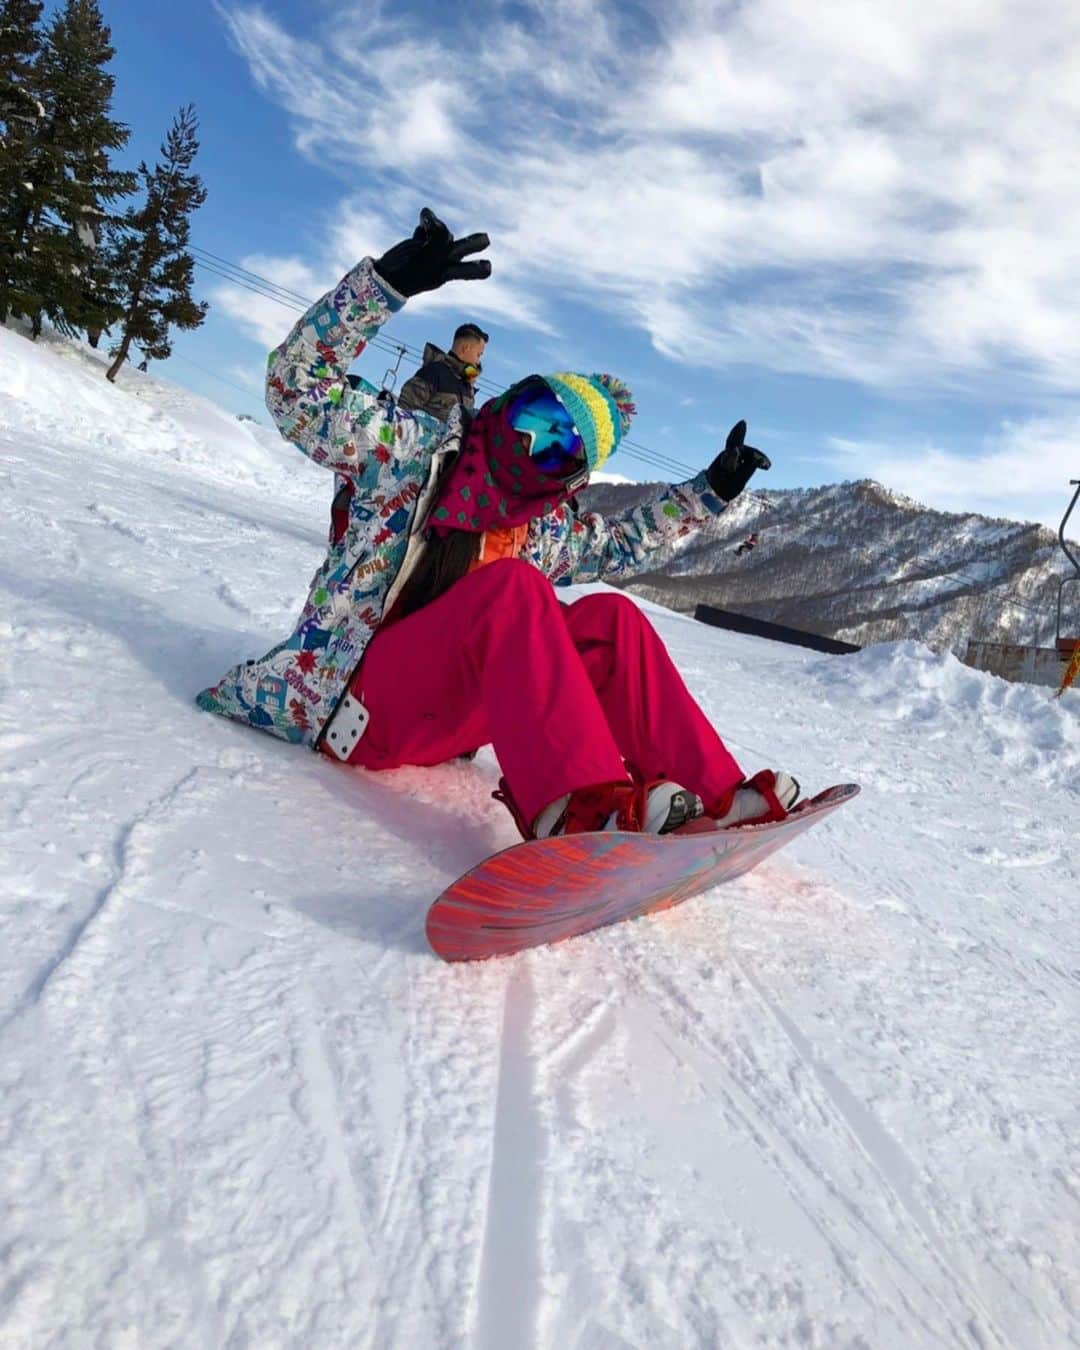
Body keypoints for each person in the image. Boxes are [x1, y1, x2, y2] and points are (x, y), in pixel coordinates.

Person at [196, 208, 800, 838]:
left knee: (610, 620)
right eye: (531, 414)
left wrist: (710, 493)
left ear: (571, 479)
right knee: (512, 590)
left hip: (444, 720)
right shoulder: (410, 454)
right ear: (505, 402)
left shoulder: (542, 530)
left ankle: (715, 798)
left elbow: (621, 544)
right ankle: (574, 806)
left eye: (557, 445)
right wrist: (382, 288)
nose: (530, 442)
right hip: (354, 709)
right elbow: (298, 389)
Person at [397, 320, 488, 422]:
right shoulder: (434, 372)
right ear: (465, 348)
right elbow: (403, 412)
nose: (478, 361)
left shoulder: (467, 387)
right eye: (478, 355)